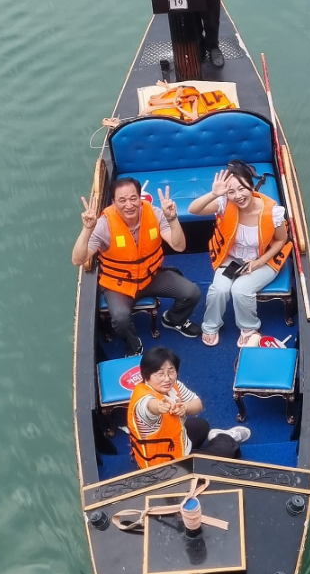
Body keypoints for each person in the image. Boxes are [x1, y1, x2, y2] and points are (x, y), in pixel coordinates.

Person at [72, 178, 201, 356]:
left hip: (151, 276)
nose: (129, 205)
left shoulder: (155, 213)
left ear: (140, 198)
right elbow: (78, 260)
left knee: (192, 293)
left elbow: (179, 246)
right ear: (113, 202)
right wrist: (87, 229)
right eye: (122, 200)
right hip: (119, 284)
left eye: (133, 198)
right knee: (120, 319)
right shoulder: (103, 225)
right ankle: (134, 345)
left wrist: (172, 218)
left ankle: (173, 320)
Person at [188, 161, 292, 347]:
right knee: (219, 289)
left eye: (242, 189)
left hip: (264, 259)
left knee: (240, 290)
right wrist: (214, 193)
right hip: (232, 257)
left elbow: (280, 241)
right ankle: (210, 326)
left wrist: (259, 262)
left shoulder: (273, 212)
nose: (238, 196)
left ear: (251, 186)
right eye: (231, 191)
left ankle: (249, 328)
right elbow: (193, 210)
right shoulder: (224, 203)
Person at [128, 347, 250, 468]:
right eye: (160, 374)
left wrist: (185, 407)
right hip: (167, 465)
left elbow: (198, 404)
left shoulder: (173, 385)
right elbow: (149, 406)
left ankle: (212, 438)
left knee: (202, 425)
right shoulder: (142, 400)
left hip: (175, 440)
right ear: (146, 376)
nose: (167, 378)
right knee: (226, 450)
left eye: (171, 371)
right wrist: (159, 406)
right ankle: (225, 438)